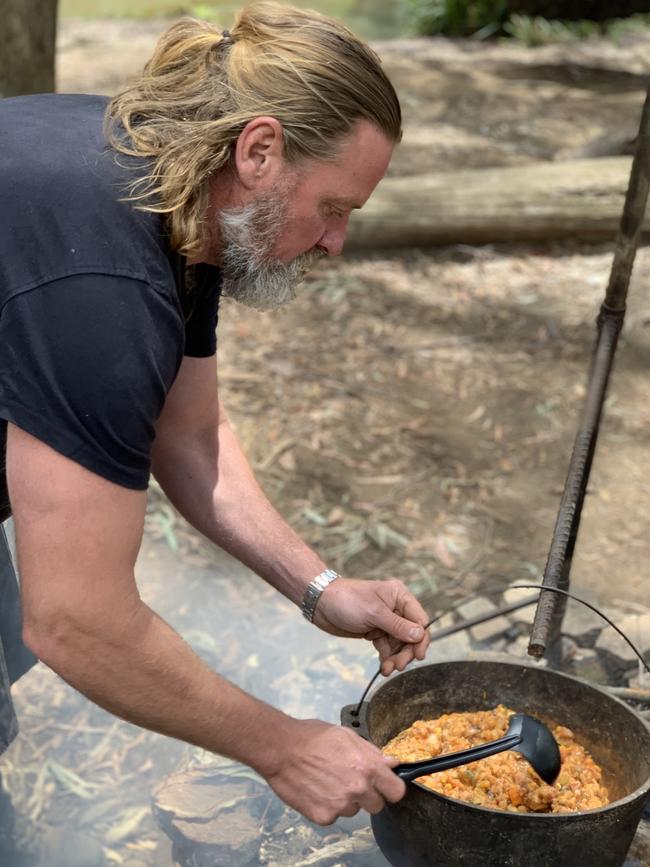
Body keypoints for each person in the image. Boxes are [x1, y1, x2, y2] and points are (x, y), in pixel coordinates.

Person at [0, 1, 431, 831]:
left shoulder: (180, 205)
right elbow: (76, 619)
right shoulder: (102, 287)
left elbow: (189, 435)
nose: (336, 242)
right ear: (260, 149)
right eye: (335, 207)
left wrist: (319, 587)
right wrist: (281, 746)